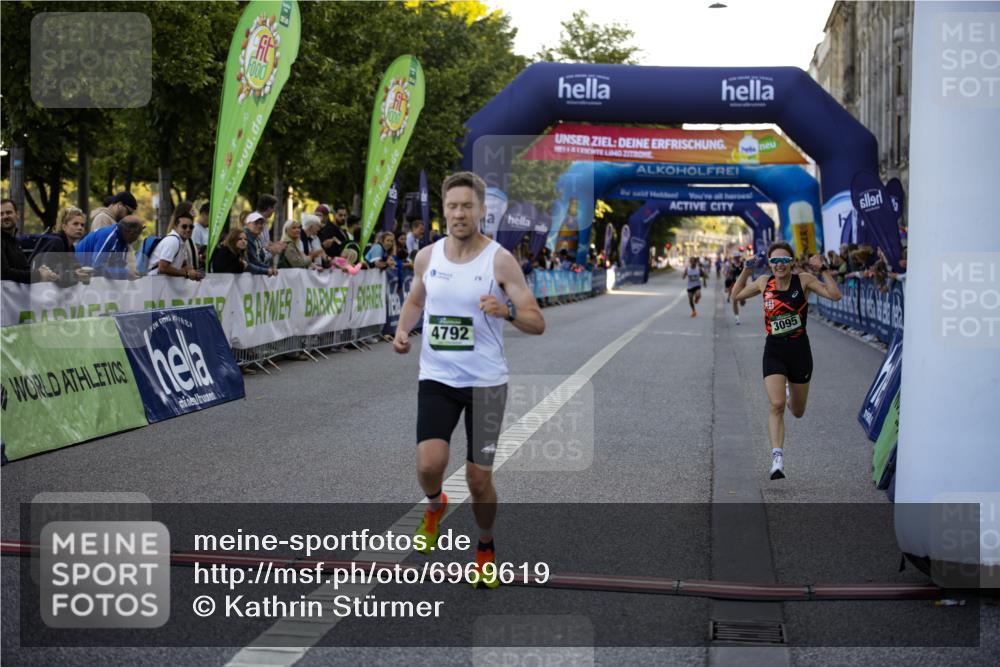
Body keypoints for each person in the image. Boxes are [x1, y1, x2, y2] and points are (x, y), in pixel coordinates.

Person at [393, 171, 545, 588]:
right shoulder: (427, 257)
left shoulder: (499, 260)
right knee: (429, 465)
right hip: (438, 377)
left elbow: (537, 321)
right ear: (444, 210)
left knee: (479, 481)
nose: (459, 213)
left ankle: (485, 546)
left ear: (481, 210)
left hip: (486, 384)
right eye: (452, 206)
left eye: (466, 206)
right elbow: (415, 300)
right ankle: (434, 503)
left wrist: (507, 311)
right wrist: (403, 330)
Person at [729, 241, 843, 480]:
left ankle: (792, 394)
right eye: (774, 261)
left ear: (791, 262)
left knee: (797, 412)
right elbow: (736, 295)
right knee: (777, 404)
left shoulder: (803, 280)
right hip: (774, 350)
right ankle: (777, 458)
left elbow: (835, 295)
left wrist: (822, 270)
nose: (779, 266)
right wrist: (746, 271)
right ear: (769, 264)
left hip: (800, 352)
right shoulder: (763, 283)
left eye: (784, 260)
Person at [2, 199, 58, 283]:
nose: (5, 216)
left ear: (17, 215)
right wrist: (38, 275)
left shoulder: (15, 242)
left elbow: (23, 268)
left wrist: (45, 272)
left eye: (9, 212)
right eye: (1, 214)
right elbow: (4, 273)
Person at [31, 206, 91, 286]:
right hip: (40, 290)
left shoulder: (70, 247)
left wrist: (80, 272)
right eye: (75, 224)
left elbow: (74, 267)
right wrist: (74, 275)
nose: (80, 227)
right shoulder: (56, 242)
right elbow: (51, 272)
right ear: (64, 227)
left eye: (82, 225)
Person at [75, 216, 144, 279]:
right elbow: (98, 268)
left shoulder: (123, 241)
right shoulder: (108, 236)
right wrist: (126, 274)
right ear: (131, 233)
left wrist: (130, 274)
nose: (137, 239)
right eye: (137, 235)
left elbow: (118, 268)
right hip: (76, 271)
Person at [148, 207, 202, 280]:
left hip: (162, 285)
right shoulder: (173, 241)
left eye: (191, 227)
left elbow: (183, 264)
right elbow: (163, 268)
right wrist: (186, 274)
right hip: (154, 284)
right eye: (184, 226)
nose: (188, 229)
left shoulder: (182, 242)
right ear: (175, 226)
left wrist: (192, 272)